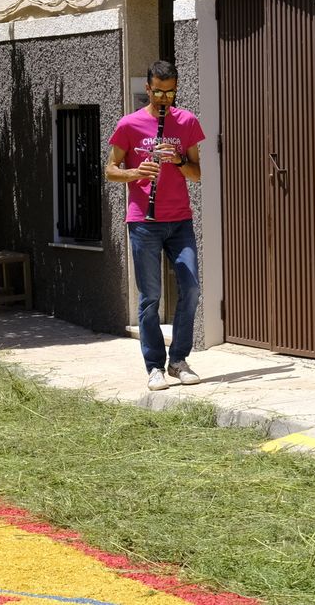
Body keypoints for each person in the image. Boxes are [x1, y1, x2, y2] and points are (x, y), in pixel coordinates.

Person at [107, 60, 206, 392]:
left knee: (190, 288)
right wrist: (136, 173)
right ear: (148, 89)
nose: (165, 98)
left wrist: (177, 161)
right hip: (144, 222)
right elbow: (110, 170)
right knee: (150, 297)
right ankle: (154, 366)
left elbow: (197, 173)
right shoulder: (129, 124)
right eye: (159, 91)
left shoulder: (187, 122)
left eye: (171, 91)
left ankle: (178, 360)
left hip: (179, 220)